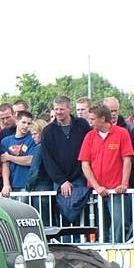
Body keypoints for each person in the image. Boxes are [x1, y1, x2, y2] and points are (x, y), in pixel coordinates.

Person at [79, 103, 134, 243]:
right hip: (96, 191)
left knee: (119, 223)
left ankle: (115, 250)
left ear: (103, 119)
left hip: (116, 190)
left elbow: (127, 160)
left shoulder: (122, 133)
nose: (90, 122)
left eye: (93, 119)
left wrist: (124, 184)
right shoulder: (89, 136)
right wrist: (96, 186)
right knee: (99, 226)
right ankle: (102, 251)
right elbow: (85, 164)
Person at [40, 95, 92, 224]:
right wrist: (62, 181)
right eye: (56, 109)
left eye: (61, 109)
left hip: (80, 177)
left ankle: (82, 236)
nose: (58, 112)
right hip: (59, 181)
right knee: (63, 213)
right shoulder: (48, 131)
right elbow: (48, 160)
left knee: (81, 213)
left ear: (69, 109)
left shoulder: (82, 125)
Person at [0, 110, 36, 197]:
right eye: (23, 122)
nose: (26, 126)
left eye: (29, 123)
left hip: (27, 185)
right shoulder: (6, 141)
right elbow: (5, 164)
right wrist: (6, 184)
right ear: (16, 121)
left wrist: (9, 157)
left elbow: (30, 160)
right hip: (12, 184)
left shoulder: (33, 138)